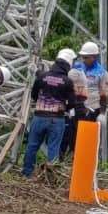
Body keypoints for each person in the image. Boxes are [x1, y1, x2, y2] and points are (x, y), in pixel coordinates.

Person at [21, 48, 84, 177]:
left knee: (32, 146)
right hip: (57, 119)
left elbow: (34, 95)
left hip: (39, 116)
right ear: (68, 64)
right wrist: (64, 109)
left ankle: (27, 173)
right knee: (53, 149)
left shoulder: (42, 76)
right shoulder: (67, 82)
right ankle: (50, 177)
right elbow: (72, 103)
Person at [63, 41, 108, 157]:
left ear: (94, 57)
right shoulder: (78, 69)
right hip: (77, 108)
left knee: (87, 139)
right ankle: (74, 156)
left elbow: (104, 94)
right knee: (72, 136)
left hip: (93, 109)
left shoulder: (102, 73)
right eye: (82, 57)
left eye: (86, 57)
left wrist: (102, 113)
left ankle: (85, 159)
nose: (83, 59)